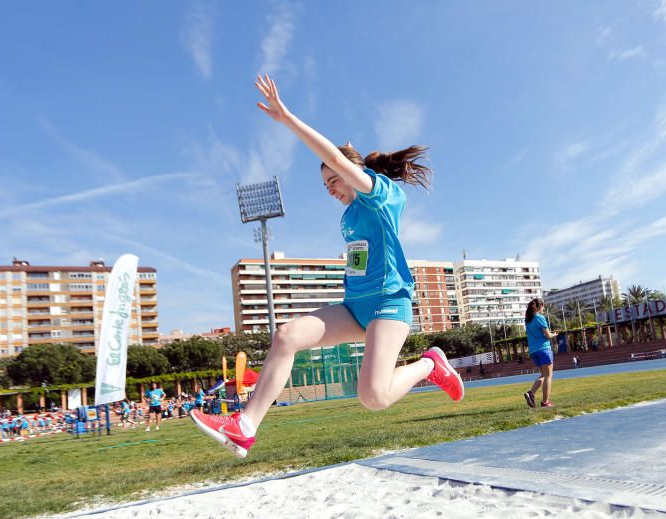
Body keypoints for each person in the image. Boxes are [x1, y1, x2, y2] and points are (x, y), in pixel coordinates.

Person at [190, 74, 463, 457]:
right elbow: (346, 180)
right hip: (355, 308)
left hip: (388, 304)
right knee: (286, 335)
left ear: (355, 174)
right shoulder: (351, 213)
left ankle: (430, 364)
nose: (331, 189)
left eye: (334, 180)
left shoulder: (380, 194)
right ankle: (245, 426)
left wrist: (287, 119)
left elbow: (340, 160)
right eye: (326, 186)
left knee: (373, 396)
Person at [523, 297, 558, 408]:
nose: (544, 308)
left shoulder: (528, 320)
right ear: (539, 306)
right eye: (543, 306)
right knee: (548, 376)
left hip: (534, 351)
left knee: (543, 375)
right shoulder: (540, 318)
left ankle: (531, 393)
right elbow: (547, 335)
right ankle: (545, 402)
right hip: (543, 349)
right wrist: (554, 334)